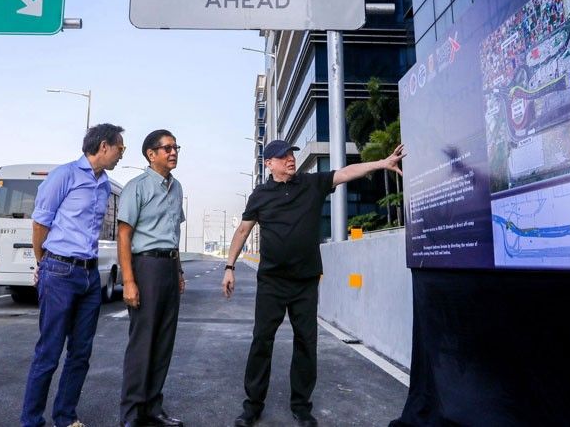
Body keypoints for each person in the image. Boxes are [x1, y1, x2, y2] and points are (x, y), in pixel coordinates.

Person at [222, 140, 406, 427]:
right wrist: (229, 267)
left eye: (291, 154)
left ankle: (301, 406)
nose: (290, 159)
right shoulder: (260, 195)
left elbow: (346, 172)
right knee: (262, 341)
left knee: (306, 343)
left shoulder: (312, 184)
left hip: (305, 281)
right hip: (271, 281)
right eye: (283, 156)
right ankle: (253, 406)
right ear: (269, 164)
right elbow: (243, 230)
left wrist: (382, 163)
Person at [21, 123, 126, 427]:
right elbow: (40, 223)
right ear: (104, 146)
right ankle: (31, 421)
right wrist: (43, 263)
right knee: (49, 352)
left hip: (90, 275)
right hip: (60, 271)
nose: (121, 154)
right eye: (120, 148)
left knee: (80, 353)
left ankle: (65, 417)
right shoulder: (64, 175)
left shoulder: (104, 185)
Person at [118, 129, 186, 427]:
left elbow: (174, 234)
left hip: (169, 267)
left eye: (176, 147)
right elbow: (124, 235)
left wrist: (179, 271)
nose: (173, 152)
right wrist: (129, 281)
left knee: (164, 342)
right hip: (145, 267)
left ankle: (153, 408)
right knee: (142, 342)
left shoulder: (177, 187)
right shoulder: (137, 187)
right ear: (151, 154)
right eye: (167, 148)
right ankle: (131, 414)